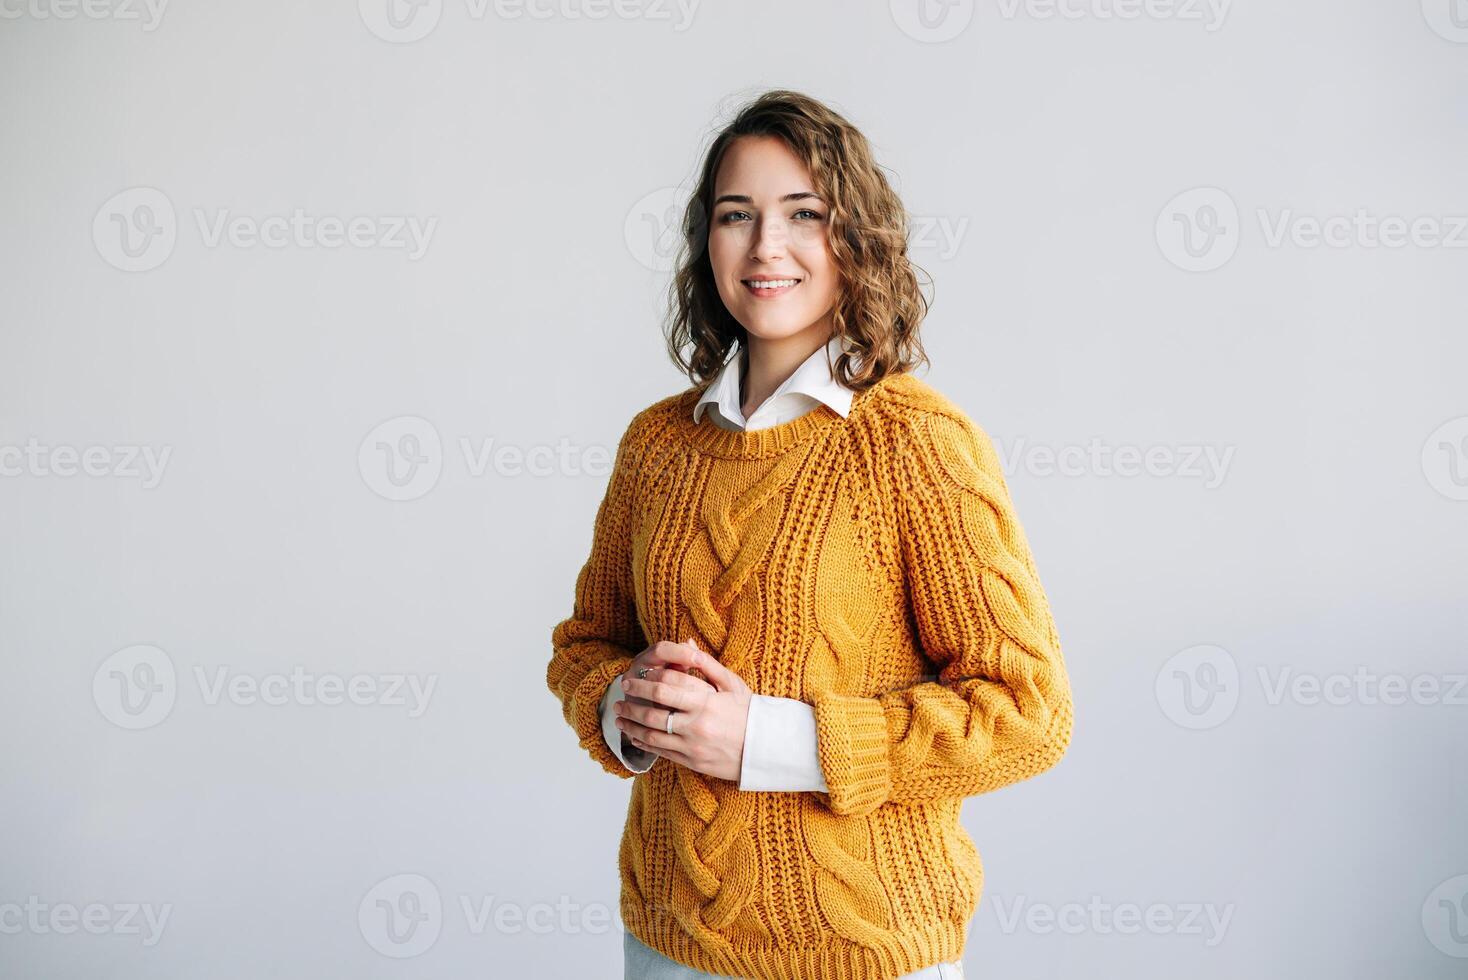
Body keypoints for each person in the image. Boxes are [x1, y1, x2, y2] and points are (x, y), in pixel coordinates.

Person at [547, 89, 1074, 980]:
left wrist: (761, 740)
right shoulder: (656, 445)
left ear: (854, 240)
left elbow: (1029, 714)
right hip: (668, 941)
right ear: (705, 243)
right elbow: (585, 645)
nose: (766, 247)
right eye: (735, 215)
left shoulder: (914, 441)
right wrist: (618, 704)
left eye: (804, 214)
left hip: (864, 954)